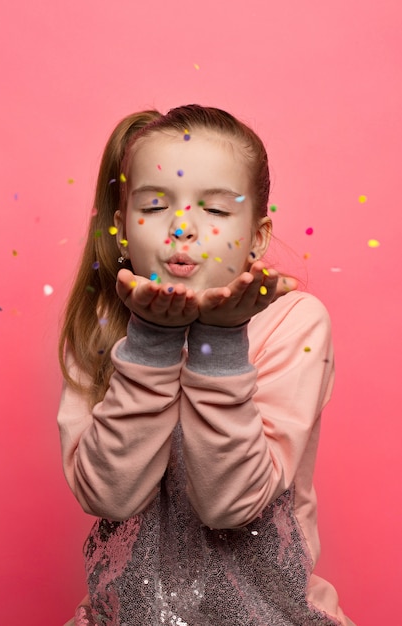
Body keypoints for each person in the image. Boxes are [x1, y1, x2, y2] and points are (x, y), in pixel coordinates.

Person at [57, 104, 354, 625]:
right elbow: (109, 496)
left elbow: (231, 506)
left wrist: (218, 342)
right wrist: (152, 342)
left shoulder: (297, 321)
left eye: (216, 211)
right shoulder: (101, 327)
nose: (182, 228)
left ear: (257, 237)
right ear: (123, 225)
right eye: (153, 206)